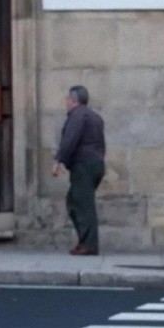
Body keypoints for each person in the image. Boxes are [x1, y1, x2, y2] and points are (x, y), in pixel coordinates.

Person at [53, 85, 106, 256]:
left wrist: (59, 161)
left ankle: (89, 245)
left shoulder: (76, 116)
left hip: (83, 165)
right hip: (96, 164)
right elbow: (101, 145)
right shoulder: (95, 117)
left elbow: (70, 140)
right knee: (77, 202)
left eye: (67, 98)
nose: (66, 102)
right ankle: (85, 241)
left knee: (82, 205)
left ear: (73, 100)